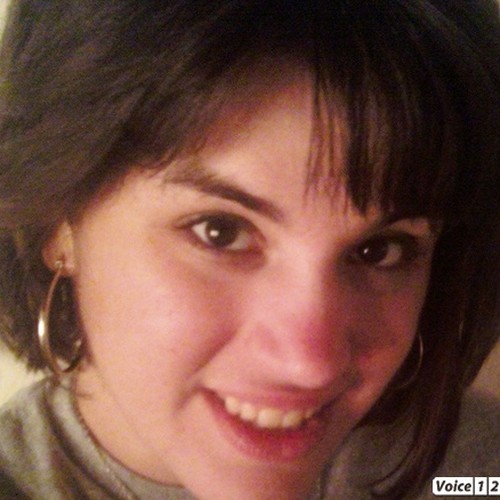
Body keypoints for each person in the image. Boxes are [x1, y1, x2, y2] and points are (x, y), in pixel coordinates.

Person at [0, 1, 499, 498]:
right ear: (57, 224)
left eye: (380, 251)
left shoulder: (472, 471)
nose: (310, 366)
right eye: (220, 232)